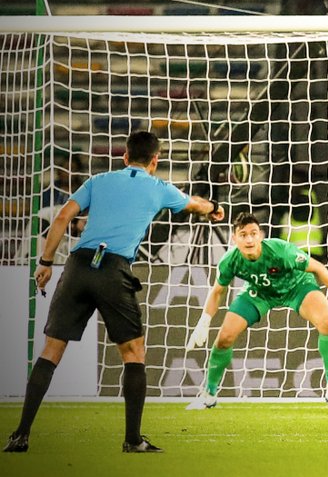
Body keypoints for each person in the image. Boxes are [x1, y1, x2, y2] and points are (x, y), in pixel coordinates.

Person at [3, 130, 224, 454]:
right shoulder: (159, 187)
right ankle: (133, 440)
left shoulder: (98, 180)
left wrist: (46, 262)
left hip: (78, 266)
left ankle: (20, 435)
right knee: (133, 353)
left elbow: (63, 217)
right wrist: (214, 207)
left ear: (125, 157)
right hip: (113, 269)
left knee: (51, 350)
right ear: (155, 160)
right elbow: (195, 205)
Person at [184, 212, 328, 411]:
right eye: (243, 235)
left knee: (326, 323)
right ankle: (209, 394)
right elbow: (217, 291)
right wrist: (204, 321)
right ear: (234, 238)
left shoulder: (280, 251)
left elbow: (317, 267)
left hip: (296, 286)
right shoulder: (230, 260)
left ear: (261, 235)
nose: (249, 240)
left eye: (253, 233)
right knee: (224, 337)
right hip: (260, 292)